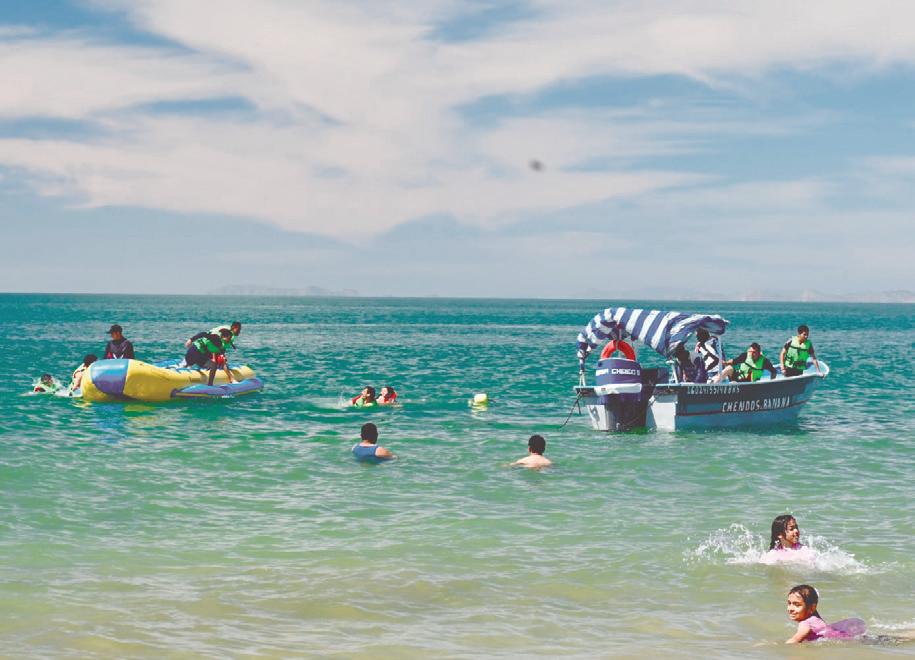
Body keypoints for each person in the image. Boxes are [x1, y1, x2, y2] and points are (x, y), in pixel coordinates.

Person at [785, 585, 866, 643]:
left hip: (847, 641)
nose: (790, 609)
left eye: (797, 605)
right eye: (789, 603)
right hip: (848, 637)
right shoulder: (815, 618)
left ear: (812, 607)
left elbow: (794, 640)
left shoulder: (805, 623)